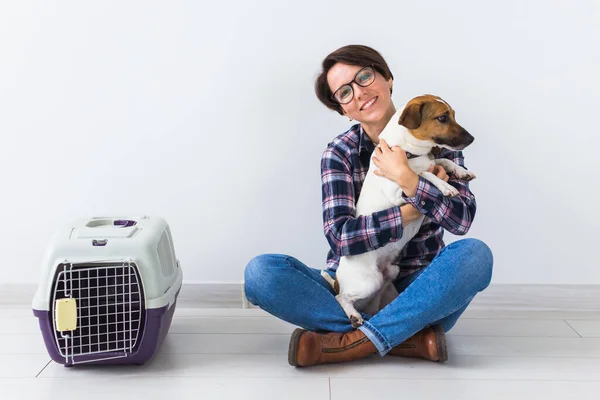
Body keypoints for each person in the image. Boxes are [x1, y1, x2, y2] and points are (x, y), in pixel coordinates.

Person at [243, 44, 493, 368]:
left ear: (388, 78)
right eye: (345, 93)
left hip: (418, 286)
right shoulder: (340, 152)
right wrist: (411, 209)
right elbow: (341, 238)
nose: (359, 93)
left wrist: (410, 181)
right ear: (344, 110)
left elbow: (462, 221)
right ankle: (409, 337)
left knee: (475, 256)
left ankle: (345, 342)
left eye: (364, 77)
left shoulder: (436, 136)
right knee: (261, 274)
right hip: (354, 276)